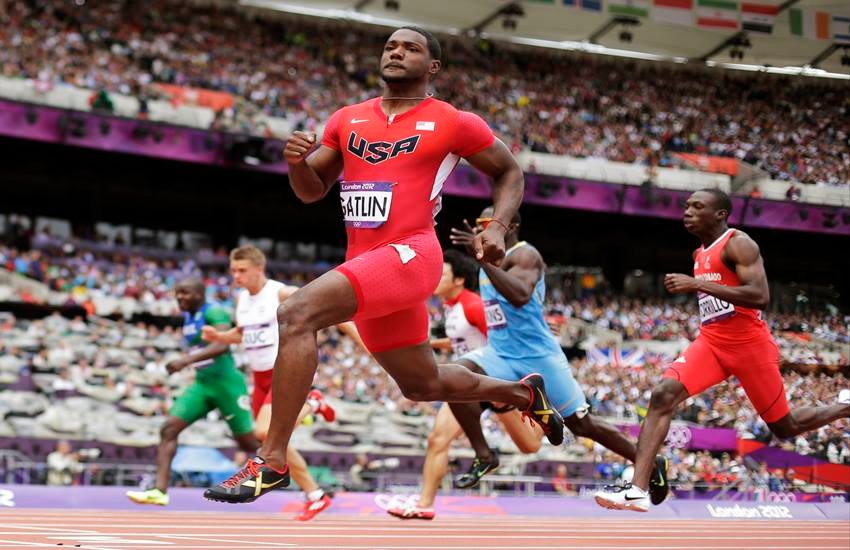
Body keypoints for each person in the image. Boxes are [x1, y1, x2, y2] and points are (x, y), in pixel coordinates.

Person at [204, 26, 564, 504]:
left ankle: (271, 461)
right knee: (422, 383)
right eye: (390, 46)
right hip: (367, 262)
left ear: (432, 66)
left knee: (295, 313)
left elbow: (509, 171)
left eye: (410, 48)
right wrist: (296, 164)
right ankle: (524, 395)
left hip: (412, 254)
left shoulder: (452, 121)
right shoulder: (347, 120)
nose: (396, 52)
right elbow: (312, 191)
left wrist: (497, 226)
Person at [595, 189, 850, 512]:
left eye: (697, 206)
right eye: (686, 206)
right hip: (712, 343)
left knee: (784, 427)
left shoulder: (739, 244)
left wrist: (697, 284)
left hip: (750, 347)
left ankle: (843, 408)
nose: (687, 212)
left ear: (720, 214)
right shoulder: (698, 253)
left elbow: (760, 296)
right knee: (662, 395)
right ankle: (637, 490)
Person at [444, 206, 668, 503]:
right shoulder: (487, 261)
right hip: (499, 353)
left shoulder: (525, 256)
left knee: (581, 424)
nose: (479, 230)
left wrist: (482, 261)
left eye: (485, 223)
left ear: (509, 227)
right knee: (452, 378)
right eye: (477, 224)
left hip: (538, 356)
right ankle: (484, 455)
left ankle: (650, 462)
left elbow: (520, 296)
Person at [386, 249, 543, 520]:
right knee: (438, 439)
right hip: (466, 387)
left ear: (458, 280)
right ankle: (424, 504)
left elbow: (502, 340)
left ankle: (554, 415)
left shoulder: (473, 305)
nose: (435, 279)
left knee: (530, 445)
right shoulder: (453, 307)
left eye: (442, 274)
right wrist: (431, 345)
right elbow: (463, 340)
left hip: (493, 383)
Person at [201, 245, 354, 520]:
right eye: (233, 270)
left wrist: (362, 342)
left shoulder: (279, 292)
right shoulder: (242, 299)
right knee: (272, 443)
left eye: (242, 270)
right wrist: (220, 337)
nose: (236, 276)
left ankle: (313, 404)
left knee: (265, 432)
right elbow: (244, 333)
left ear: (259, 268)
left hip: (282, 374)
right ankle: (315, 495)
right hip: (259, 378)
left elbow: (325, 308)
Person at [127, 277, 259, 506]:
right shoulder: (189, 316)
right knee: (168, 428)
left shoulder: (214, 312)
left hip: (227, 384)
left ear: (200, 294)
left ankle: (290, 469)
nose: (180, 297)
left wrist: (185, 360)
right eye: (177, 293)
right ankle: (159, 490)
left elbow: (222, 344)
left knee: (248, 444)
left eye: (185, 293)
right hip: (202, 384)